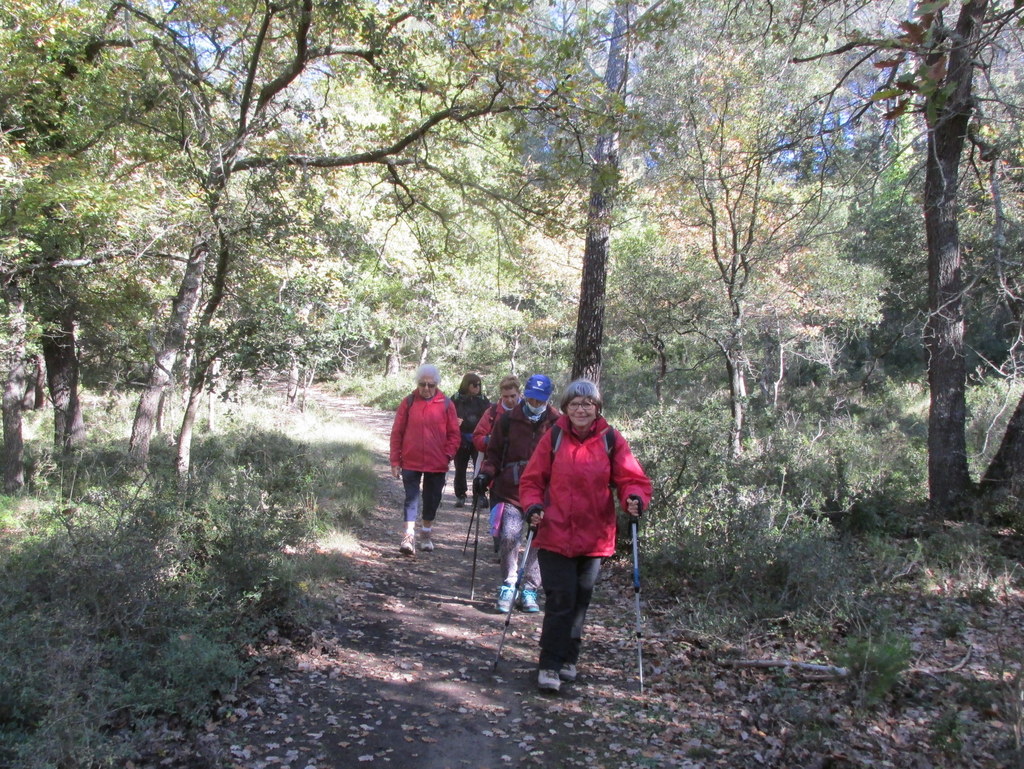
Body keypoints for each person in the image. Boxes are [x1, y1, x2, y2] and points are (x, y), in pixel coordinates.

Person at [519, 378, 652, 694]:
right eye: (575, 403)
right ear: (565, 408)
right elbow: (531, 481)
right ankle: (549, 664)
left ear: (597, 408)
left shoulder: (611, 439)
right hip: (554, 531)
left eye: (587, 403)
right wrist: (533, 505)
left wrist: (633, 498)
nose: (581, 409)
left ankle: (569, 659)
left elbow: (632, 478)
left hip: (594, 536)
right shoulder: (554, 437)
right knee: (561, 599)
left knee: (580, 601)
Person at [475, 374, 558, 614]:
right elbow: (493, 454)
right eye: (531, 397)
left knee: (539, 541)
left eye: (540, 399)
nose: (535, 402)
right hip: (509, 490)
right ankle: (509, 584)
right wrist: (485, 475)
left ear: (548, 398)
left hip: (544, 493)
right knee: (509, 536)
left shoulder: (557, 423)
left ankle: (530, 588)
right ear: (525, 394)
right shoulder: (508, 420)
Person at [389, 364, 461, 555]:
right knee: (411, 499)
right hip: (410, 460)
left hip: (437, 463)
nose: (426, 388)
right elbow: (397, 432)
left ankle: (426, 533)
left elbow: (454, 434)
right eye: (422, 384)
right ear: (417, 383)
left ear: (436, 384)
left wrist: (448, 454)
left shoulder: (446, 404)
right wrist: (395, 461)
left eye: (430, 385)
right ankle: (408, 536)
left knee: (432, 499)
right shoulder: (409, 402)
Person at [451, 373, 490, 508]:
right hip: (461, 438)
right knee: (460, 468)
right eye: (474, 384)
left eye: (479, 384)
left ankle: (478, 495)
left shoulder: (484, 400)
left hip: (477, 439)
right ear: (467, 385)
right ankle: (460, 495)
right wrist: (454, 422)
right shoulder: (456, 399)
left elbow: (489, 418)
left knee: (479, 468)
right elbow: (448, 416)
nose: (477, 387)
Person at [472, 375, 522, 454]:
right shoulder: (492, 412)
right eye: (505, 396)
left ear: (519, 393)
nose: (509, 400)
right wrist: (490, 441)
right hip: (497, 460)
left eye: (513, 396)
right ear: (501, 395)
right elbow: (477, 437)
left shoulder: (528, 411)